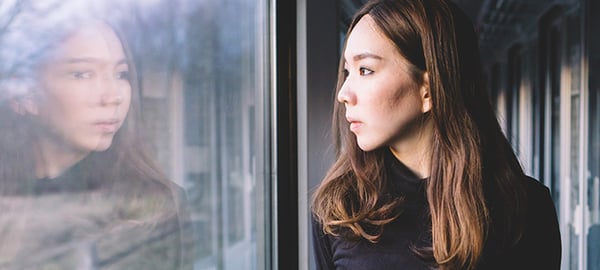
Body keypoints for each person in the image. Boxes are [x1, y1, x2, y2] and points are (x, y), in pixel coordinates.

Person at [311, 0, 561, 269]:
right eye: (347, 72)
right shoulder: (339, 211)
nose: (343, 94)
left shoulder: (524, 210)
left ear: (428, 90)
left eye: (365, 70)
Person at [0, 4, 193, 270]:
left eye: (121, 74)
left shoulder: (154, 206)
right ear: (24, 94)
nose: (112, 96)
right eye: (82, 74)